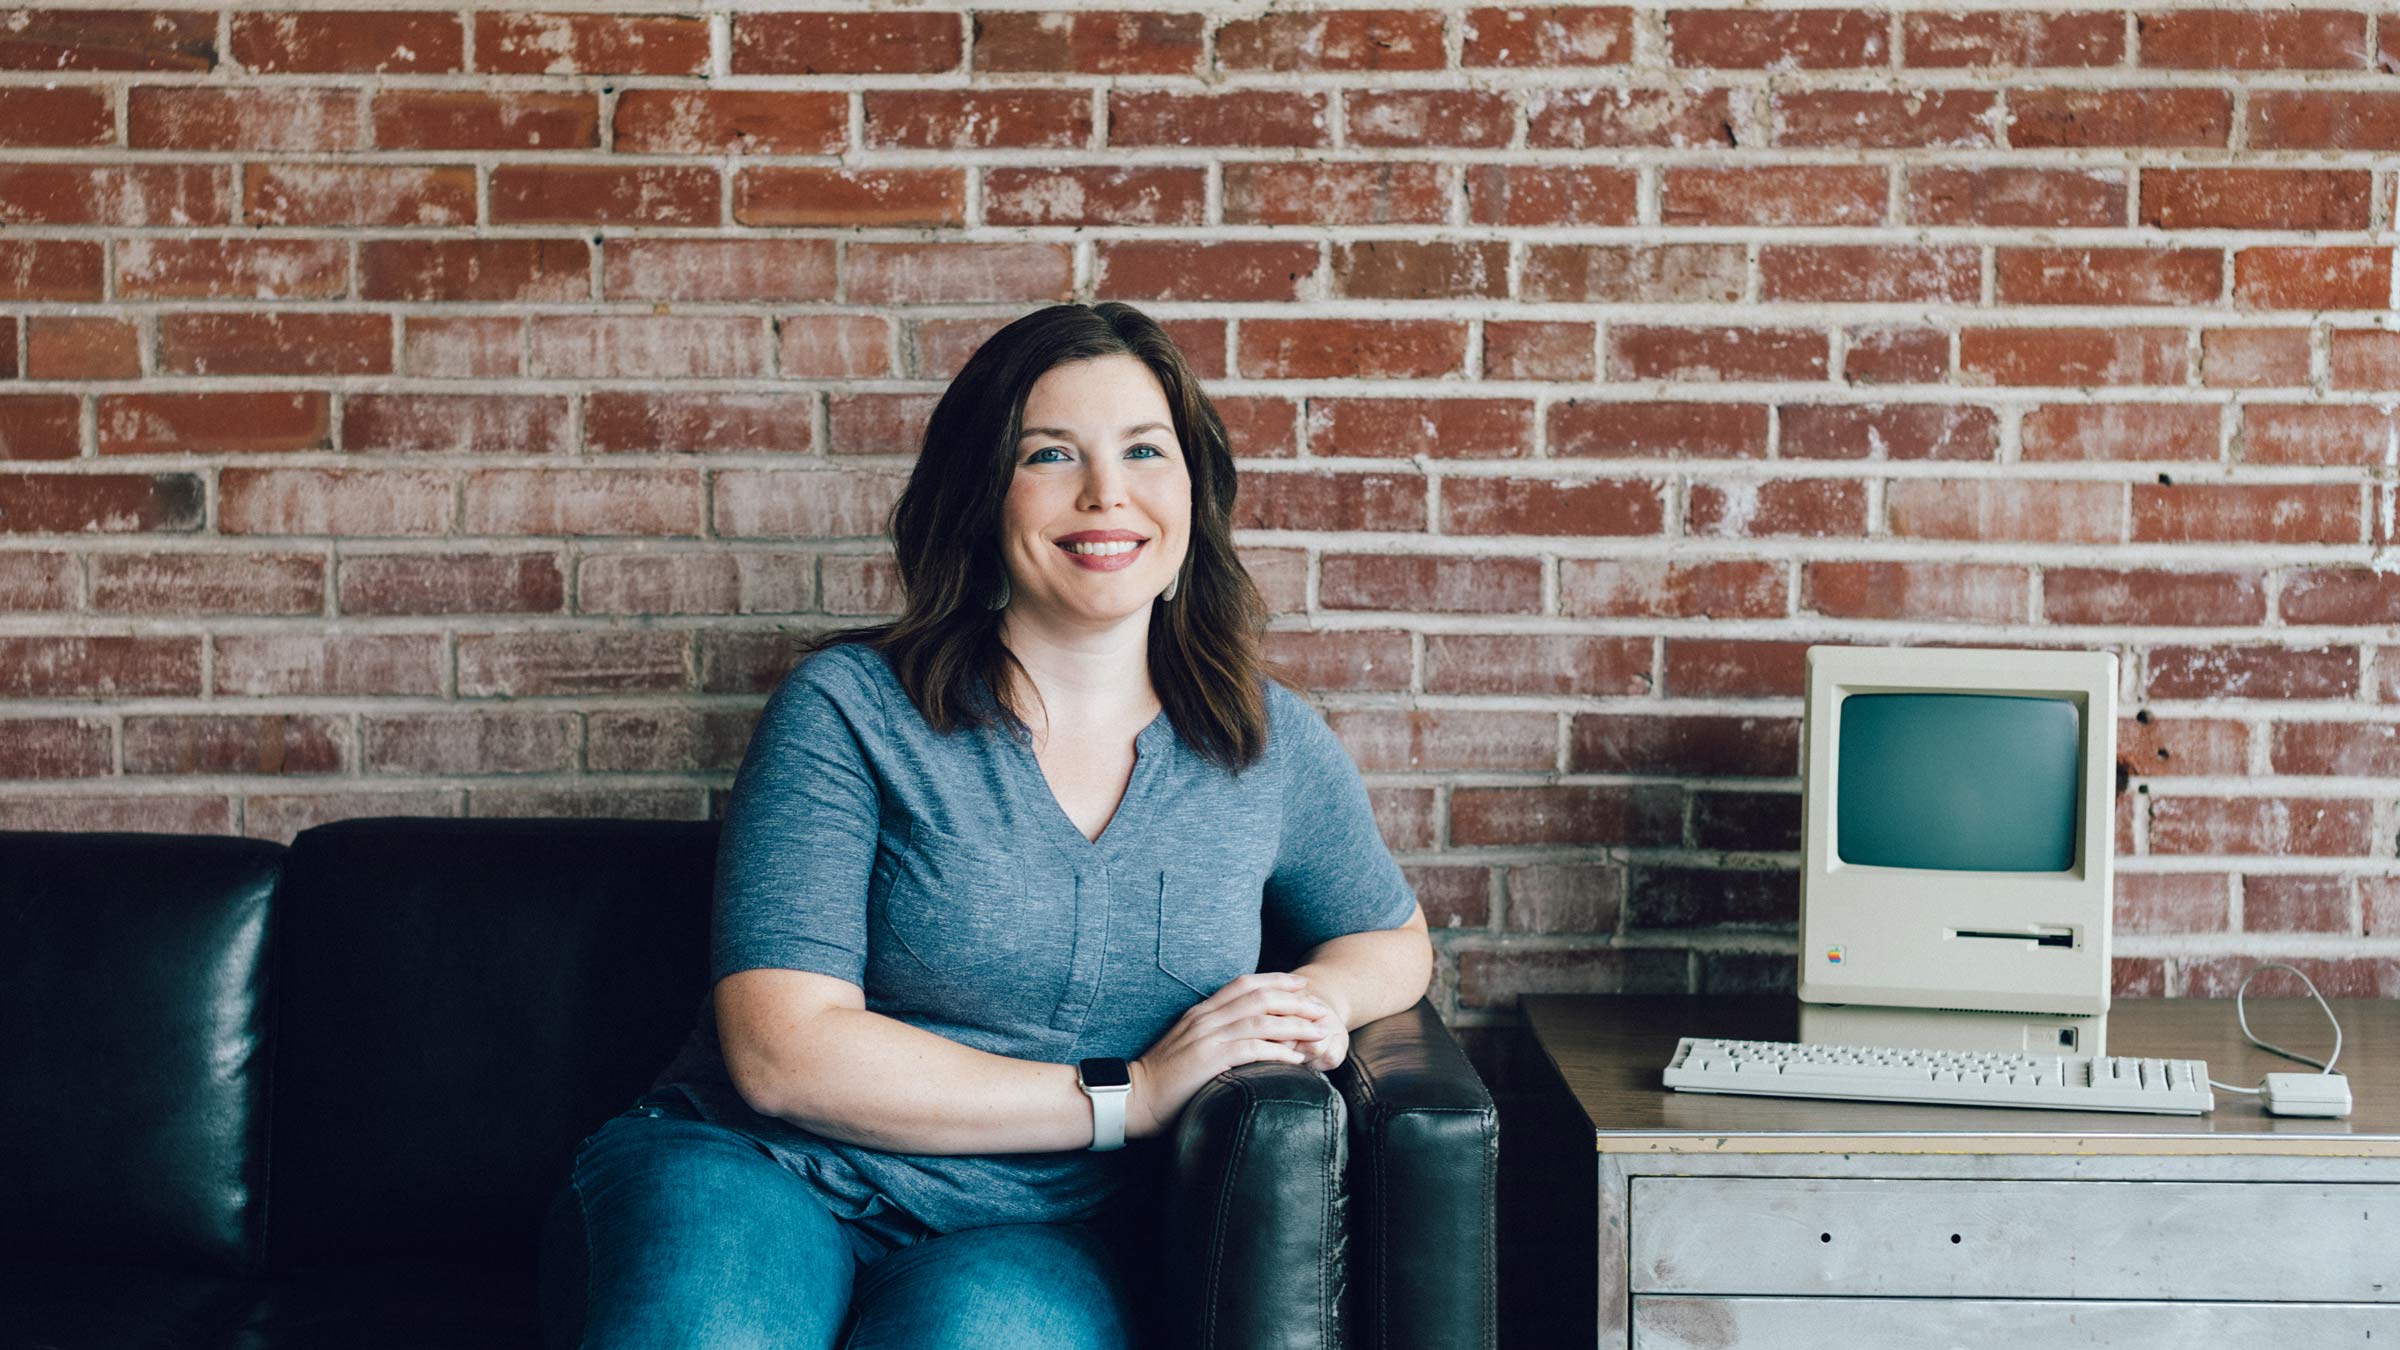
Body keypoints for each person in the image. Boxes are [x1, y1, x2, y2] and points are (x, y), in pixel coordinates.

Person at [537, 301, 1434, 1349]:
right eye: (1050, 454)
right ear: (981, 497)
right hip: (760, 1166)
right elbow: (783, 1052)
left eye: (1145, 450)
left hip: (1039, 1229)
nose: (1107, 493)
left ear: (1193, 490)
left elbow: (1391, 939)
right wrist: (1127, 1096)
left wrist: (1311, 1002)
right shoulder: (847, 710)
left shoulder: (1262, 741)